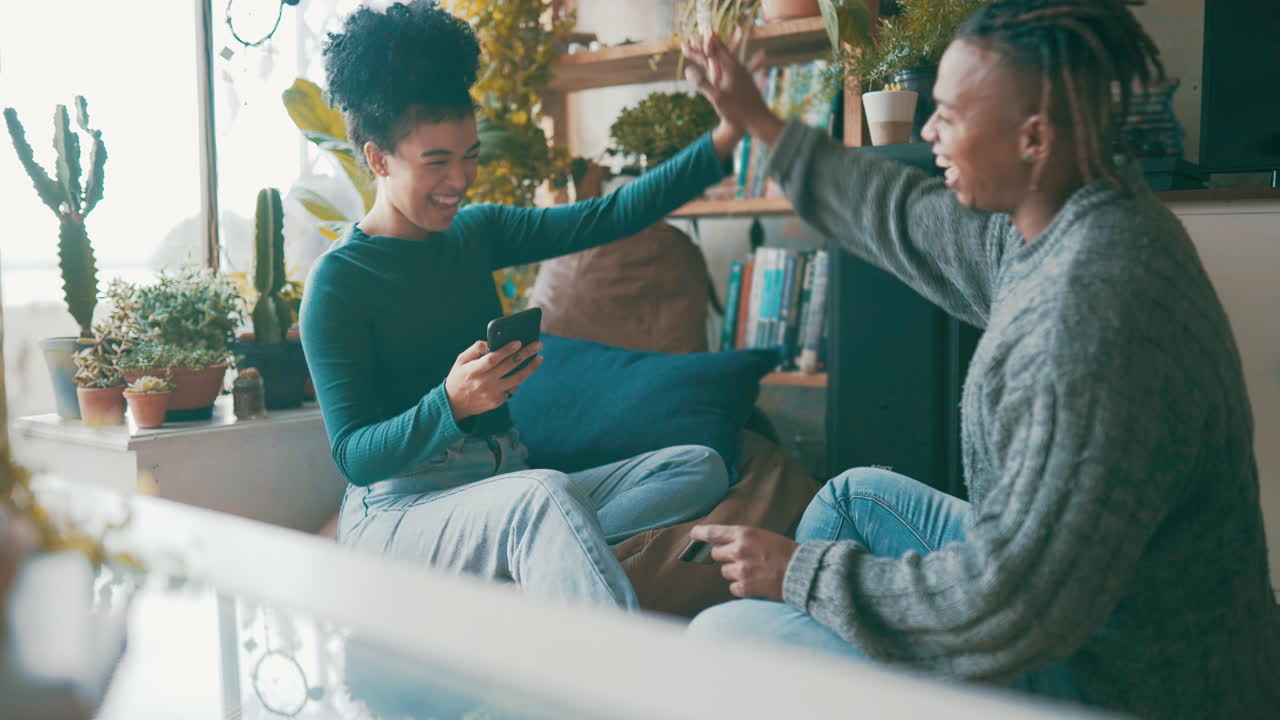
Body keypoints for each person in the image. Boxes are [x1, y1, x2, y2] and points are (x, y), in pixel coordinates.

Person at [678, 0, 1280, 715]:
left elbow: (1011, 607)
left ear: (1033, 137)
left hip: (1128, 677)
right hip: (1088, 595)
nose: (928, 132)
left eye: (950, 117)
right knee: (855, 496)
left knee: (723, 635)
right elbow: (904, 217)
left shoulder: (1090, 311)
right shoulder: (1062, 216)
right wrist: (761, 121)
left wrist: (797, 576)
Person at [301, 1, 747, 609]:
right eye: (437, 161)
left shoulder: (475, 232)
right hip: (401, 512)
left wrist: (726, 135)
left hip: (504, 486)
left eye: (470, 155)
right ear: (378, 158)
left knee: (697, 466)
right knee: (541, 498)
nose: (460, 179)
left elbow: (606, 215)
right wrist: (452, 404)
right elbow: (353, 455)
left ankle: (543, 550)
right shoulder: (338, 282)